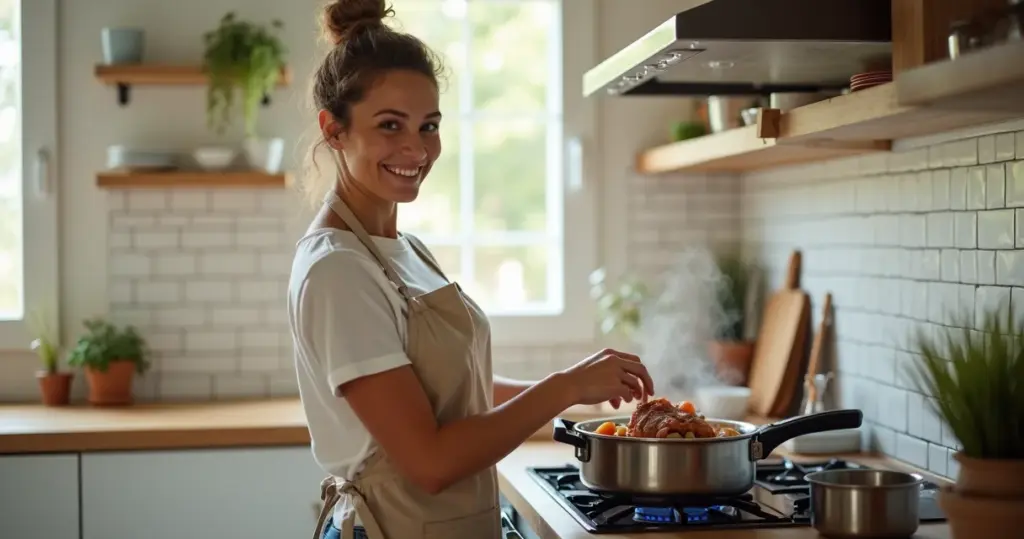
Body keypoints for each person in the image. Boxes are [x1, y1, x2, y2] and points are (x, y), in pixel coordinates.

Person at [287, 1, 655, 538]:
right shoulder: (337, 270)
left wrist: (581, 399)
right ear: (335, 130)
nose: (416, 148)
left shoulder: (403, 249)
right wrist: (562, 387)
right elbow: (430, 462)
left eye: (429, 126)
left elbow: (458, 394)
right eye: (390, 125)